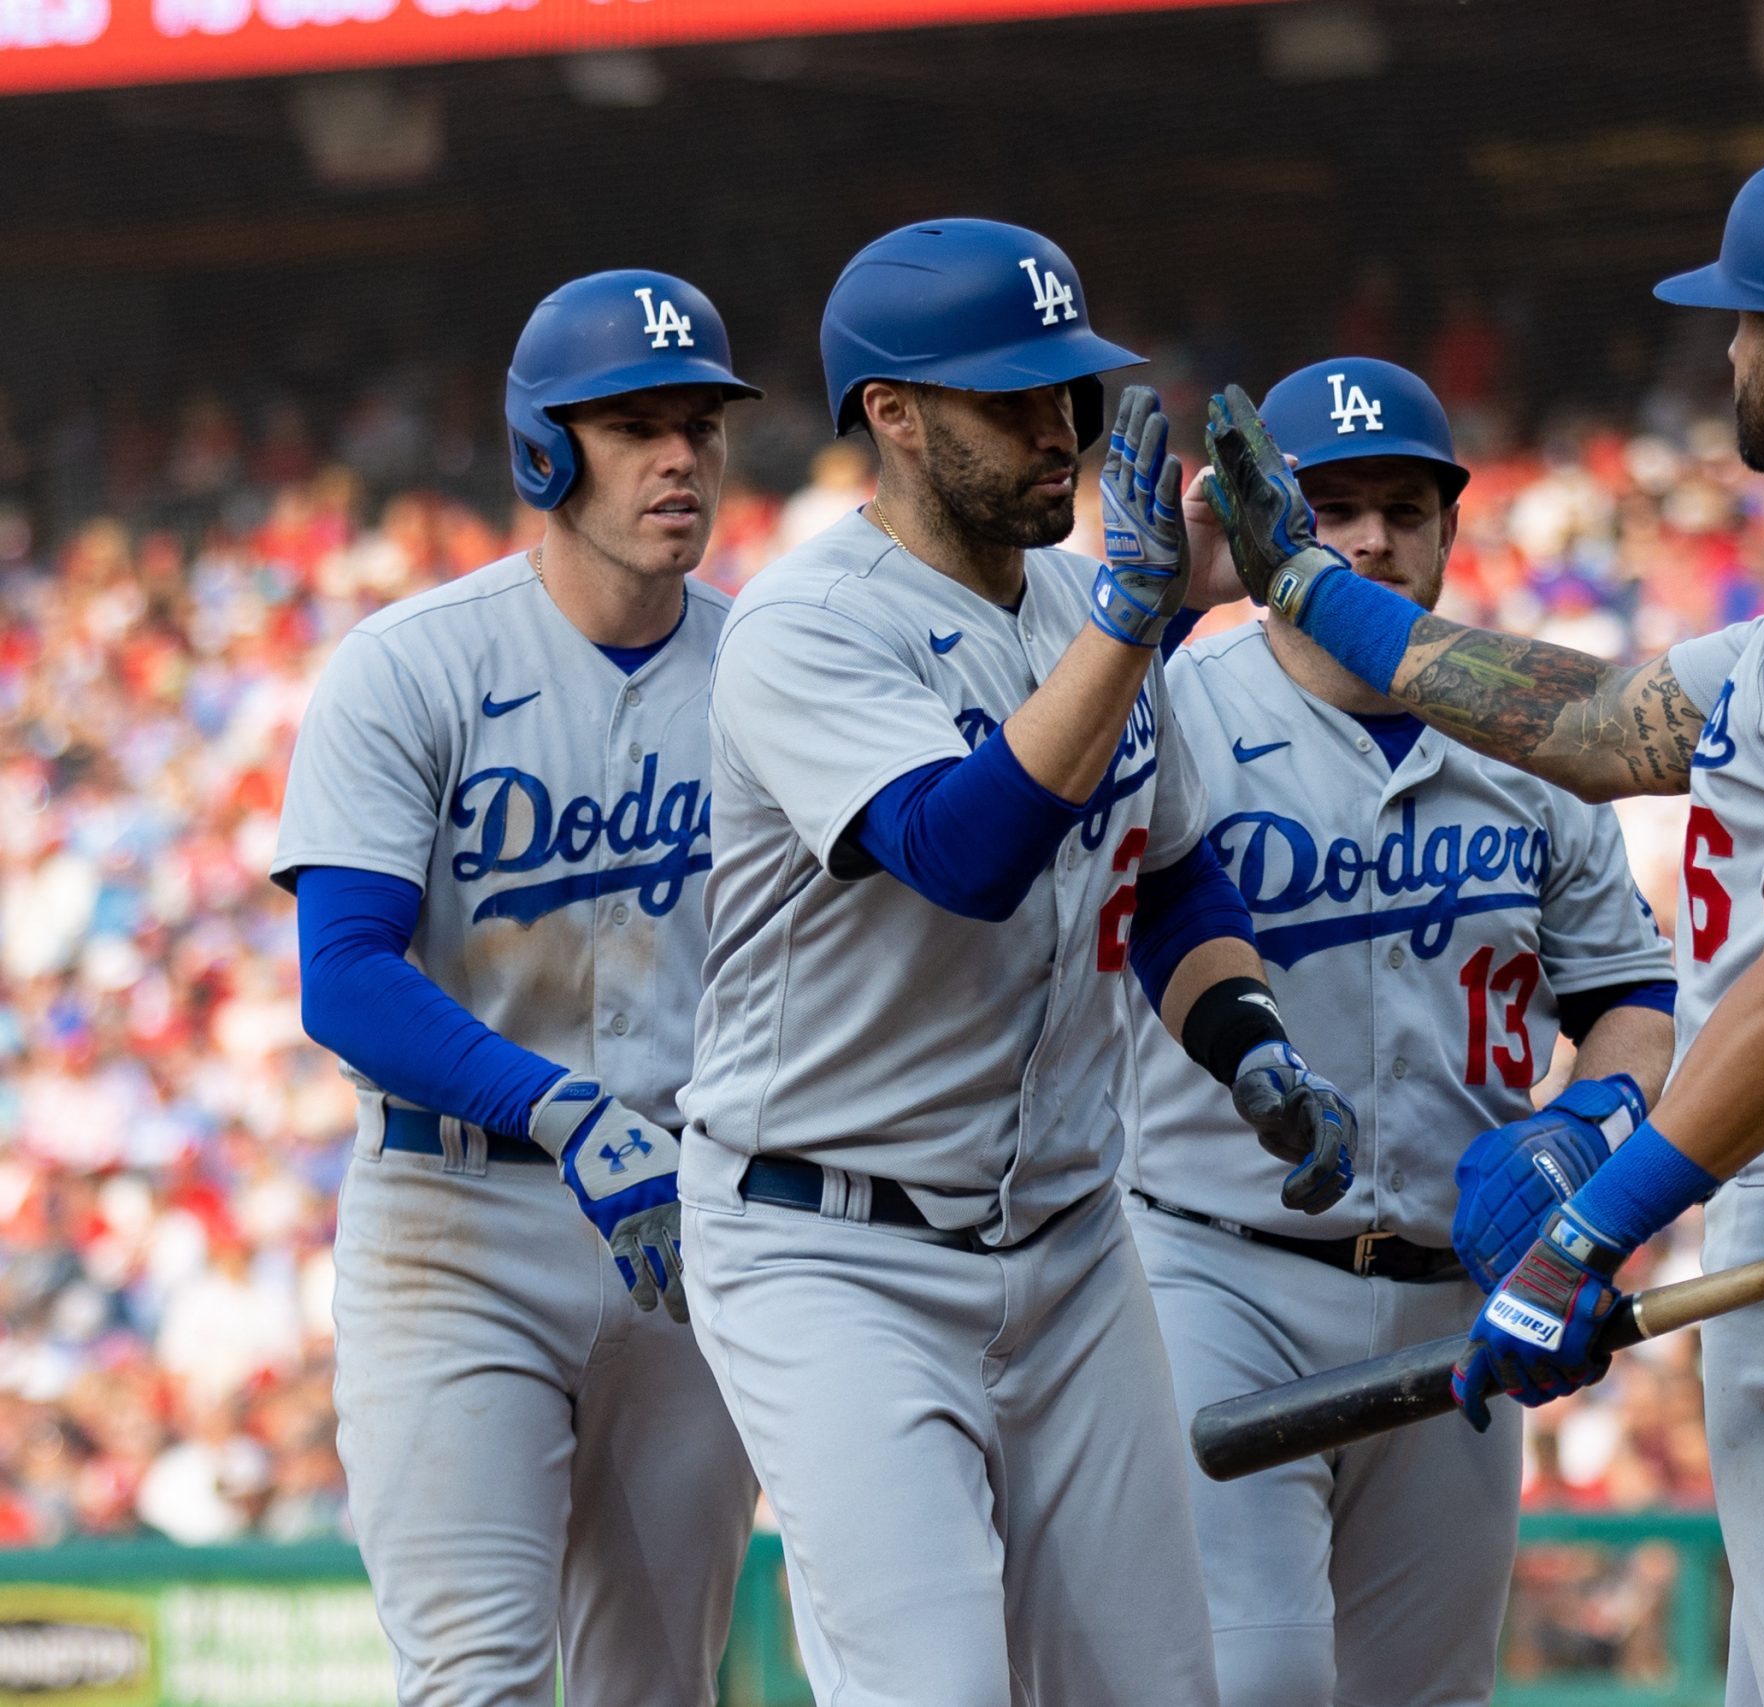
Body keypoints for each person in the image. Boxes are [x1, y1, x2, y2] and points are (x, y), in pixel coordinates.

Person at [1201, 151, 1764, 1706]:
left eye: (1744, 327)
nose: (1730, 356)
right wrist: (1306, 586)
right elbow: (1612, 724)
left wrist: (1590, 1224)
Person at [676, 219, 1356, 1707]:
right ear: (894, 416)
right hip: (829, 1242)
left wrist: (1253, 1046)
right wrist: (1137, 620)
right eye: (1013, 403)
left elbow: (1167, 874)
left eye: (1073, 394)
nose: (1061, 432)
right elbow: (964, 856)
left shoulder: (1072, 599)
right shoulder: (808, 621)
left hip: (1064, 1240)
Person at [1124, 356, 1677, 1707]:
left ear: (1448, 527)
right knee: (1250, 1682)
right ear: (1273, 526)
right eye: (1336, 506)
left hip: (1454, 1292)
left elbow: (1631, 1004)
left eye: (1405, 508)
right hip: (1215, 1270)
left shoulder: (1525, 742)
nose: (1371, 538)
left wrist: (1587, 1123)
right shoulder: (1181, 705)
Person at [272, 270, 762, 1705]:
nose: (679, 458)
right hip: (458, 1224)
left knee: (654, 1685)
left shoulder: (766, 667)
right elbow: (346, 979)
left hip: (687, 1220)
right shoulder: (411, 666)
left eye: (699, 426)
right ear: (545, 451)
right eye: (632, 427)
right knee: (480, 1678)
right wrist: (561, 1111)